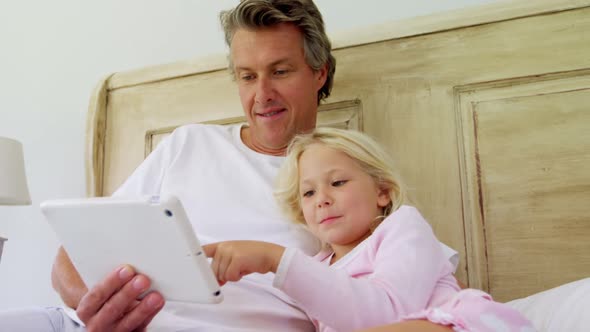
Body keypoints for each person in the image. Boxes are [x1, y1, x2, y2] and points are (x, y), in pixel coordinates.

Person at [0, 1, 459, 331]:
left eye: (280, 71)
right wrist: (94, 307)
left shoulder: (345, 198)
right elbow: (70, 254)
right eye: (246, 76)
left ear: (319, 73)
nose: (262, 95)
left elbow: (406, 300)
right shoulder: (188, 144)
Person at [203, 127, 535, 332]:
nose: (322, 200)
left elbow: (388, 312)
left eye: (337, 182)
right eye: (309, 192)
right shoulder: (316, 267)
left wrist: (275, 259)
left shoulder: (402, 227)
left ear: (382, 192)